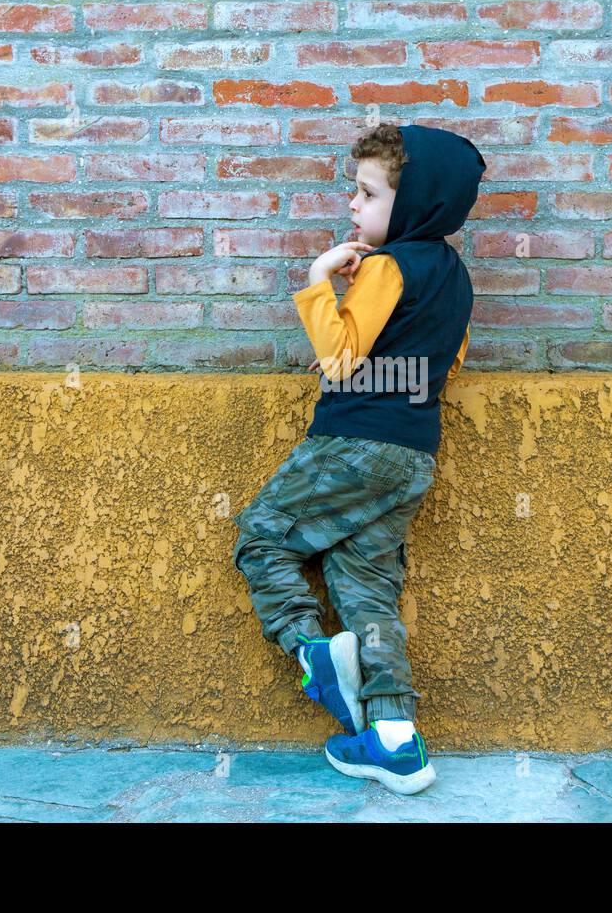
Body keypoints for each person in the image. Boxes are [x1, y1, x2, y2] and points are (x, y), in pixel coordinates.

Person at [230, 122, 483, 795]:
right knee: (368, 589)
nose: (352, 205)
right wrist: (371, 368)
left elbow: (342, 360)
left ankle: (314, 654)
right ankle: (396, 741)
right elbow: (442, 366)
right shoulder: (455, 280)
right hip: (412, 455)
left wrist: (319, 282)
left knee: (263, 535)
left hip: (349, 445)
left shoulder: (387, 265)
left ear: (415, 203)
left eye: (367, 193)